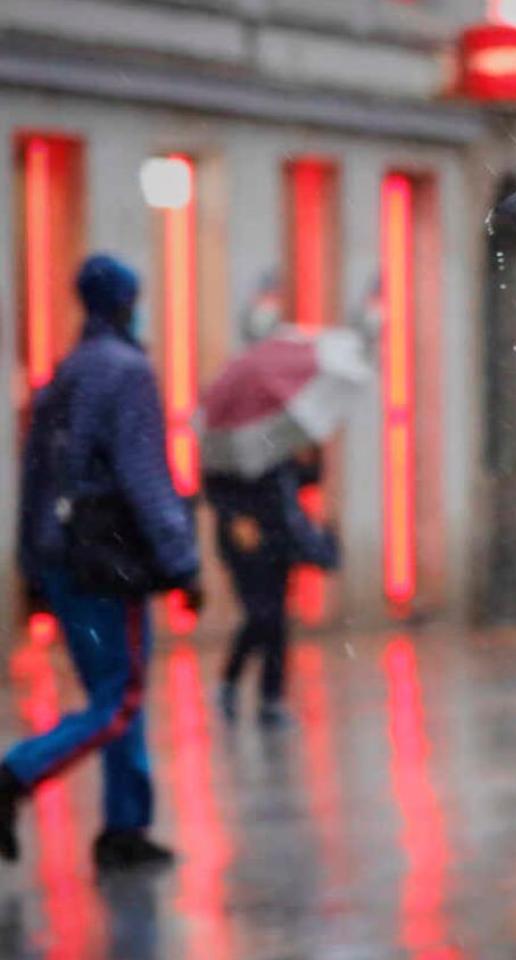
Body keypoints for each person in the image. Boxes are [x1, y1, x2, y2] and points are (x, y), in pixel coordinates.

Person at [1, 254, 203, 871]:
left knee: (113, 694)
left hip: (63, 561)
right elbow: (144, 475)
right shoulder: (127, 372)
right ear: (123, 303)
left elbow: (34, 476)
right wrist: (182, 560)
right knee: (119, 698)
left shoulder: (62, 374)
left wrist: (33, 564)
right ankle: (16, 773)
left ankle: (125, 825)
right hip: (108, 563)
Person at [206, 446, 339, 725]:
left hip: (279, 540)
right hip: (246, 544)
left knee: (276, 620)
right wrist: (235, 516)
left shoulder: (279, 441)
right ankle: (230, 682)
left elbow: (301, 479)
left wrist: (313, 455)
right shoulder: (230, 442)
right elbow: (214, 486)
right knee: (260, 615)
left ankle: (271, 698)